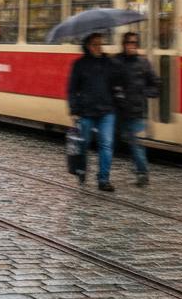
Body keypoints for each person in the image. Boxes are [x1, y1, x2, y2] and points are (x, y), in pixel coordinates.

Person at [67, 32, 122, 192]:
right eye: (95, 44)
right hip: (86, 112)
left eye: (100, 44)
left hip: (107, 110)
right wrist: (74, 109)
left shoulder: (109, 63)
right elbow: (72, 90)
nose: (99, 47)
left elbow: (117, 80)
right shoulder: (79, 65)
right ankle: (82, 170)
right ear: (87, 46)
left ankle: (103, 179)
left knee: (106, 144)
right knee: (83, 144)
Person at [114, 31, 158, 186]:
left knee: (134, 142)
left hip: (136, 110)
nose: (132, 46)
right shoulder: (116, 61)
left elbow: (155, 84)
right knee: (110, 142)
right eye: (129, 43)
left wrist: (144, 93)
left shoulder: (143, 63)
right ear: (124, 44)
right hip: (118, 111)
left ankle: (142, 172)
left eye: (134, 43)